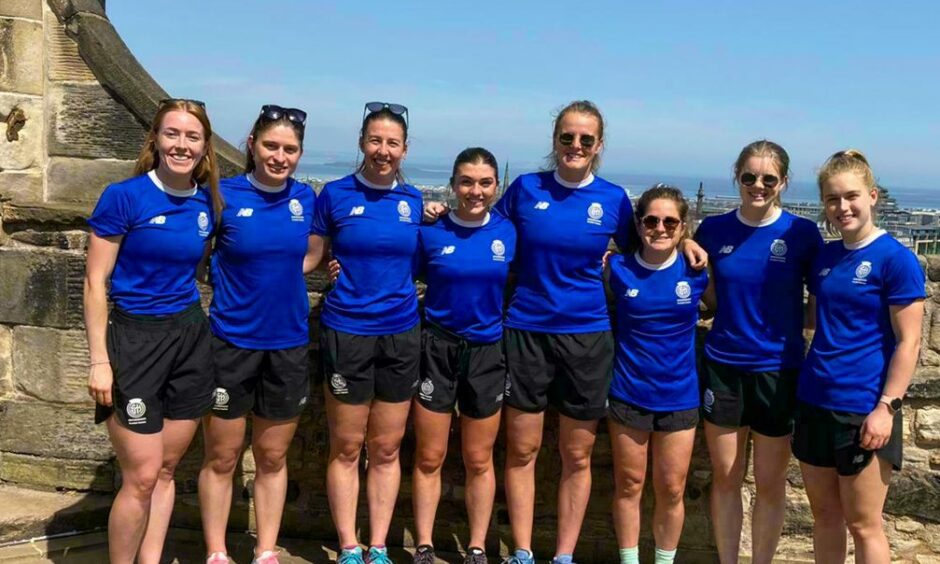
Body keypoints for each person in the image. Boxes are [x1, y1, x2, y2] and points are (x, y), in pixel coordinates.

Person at [423, 100, 705, 564]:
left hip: (587, 337)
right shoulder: (525, 188)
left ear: (598, 146)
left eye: (585, 139)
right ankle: (522, 552)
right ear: (555, 141)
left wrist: (690, 238)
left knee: (578, 456)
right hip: (524, 332)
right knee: (522, 450)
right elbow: (479, 223)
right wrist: (431, 210)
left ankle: (564, 556)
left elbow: (653, 248)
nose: (575, 146)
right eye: (567, 137)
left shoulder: (613, 199)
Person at [84, 98, 222, 564]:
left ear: (204, 147)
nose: (181, 145)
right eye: (173, 134)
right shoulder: (124, 196)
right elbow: (94, 283)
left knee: (165, 470)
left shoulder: (207, 201)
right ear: (156, 140)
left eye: (192, 137)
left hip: (188, 336)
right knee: (140, 476)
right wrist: (100, 360)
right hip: (134, 339)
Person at [693, 140, 823, 564]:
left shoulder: (801, 234)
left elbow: (819, 303)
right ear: (737, 177)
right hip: (725, 368)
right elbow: (707, 295)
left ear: (784, 182)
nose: (758, 185)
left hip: (779, 370)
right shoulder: (712, 230)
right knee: (727, 479)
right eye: (749, 176)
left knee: (769, 484)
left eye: (769, 178)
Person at [198, 105, 317, 564]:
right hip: (231, 342)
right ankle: (215, 551)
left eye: (290, 149)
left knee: (272, 456)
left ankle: (266, 549)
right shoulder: (222, 196)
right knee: (222, 457)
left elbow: (313, 252)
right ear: (252, 143)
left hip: (287, 342)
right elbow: (198, 257)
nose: (279, 156)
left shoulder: (305, 199)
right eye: (271, 145)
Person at [794, 150, 924, 563]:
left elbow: (910, 342)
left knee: (865, 523)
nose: (842, 207)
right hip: (815, 399)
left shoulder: (896, 260)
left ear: (872, 196)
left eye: (851, 196)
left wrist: (886, 407)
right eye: (832, 199)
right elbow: (817, 318)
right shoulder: (827, 258)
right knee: (825, 516)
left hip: (864, 406)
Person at [307, 102, 422, 564]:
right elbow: (309, 258)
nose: (383, 150)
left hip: (400, 332)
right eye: (375, 140)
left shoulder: (415, 202)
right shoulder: (333, 195)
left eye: (392, 142)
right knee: (348, 446)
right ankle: (349, 546)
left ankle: (378, 545)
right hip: (347, 330)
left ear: (405, 149)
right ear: (361, 142)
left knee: (388, 447)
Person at [410, 148, 516, 564]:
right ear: (453, 185)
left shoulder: (509, 232)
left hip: (487, 351)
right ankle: (423, 545)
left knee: (478, 458)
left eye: (485, 182)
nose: (476, 191)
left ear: (496, 186)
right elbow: (407, 273)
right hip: (438, 347)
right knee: (429, 455)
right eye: (467, 182)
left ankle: (476, 547)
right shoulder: (431, 231)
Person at [606, 185, 707, 564]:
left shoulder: (696, 270)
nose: (660, 228)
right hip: (628, 391)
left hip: (679, 395)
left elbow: (716, 307)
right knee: (629, 484)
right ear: (639, 223)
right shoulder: (616, 268)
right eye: (652, 220)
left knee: (672, 488)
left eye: (670, 221)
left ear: (683, 227)